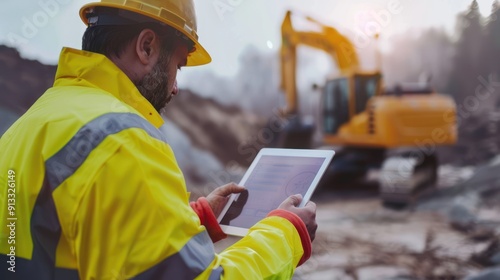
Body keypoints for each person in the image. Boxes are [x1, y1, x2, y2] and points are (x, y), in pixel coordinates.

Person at [0, 0, 318, 279]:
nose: (176, 86)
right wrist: (287, 234)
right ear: (147, 47)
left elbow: (74, 232)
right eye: (177, 66)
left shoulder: (33, 122)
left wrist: (199, 219)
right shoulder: (122, 140)